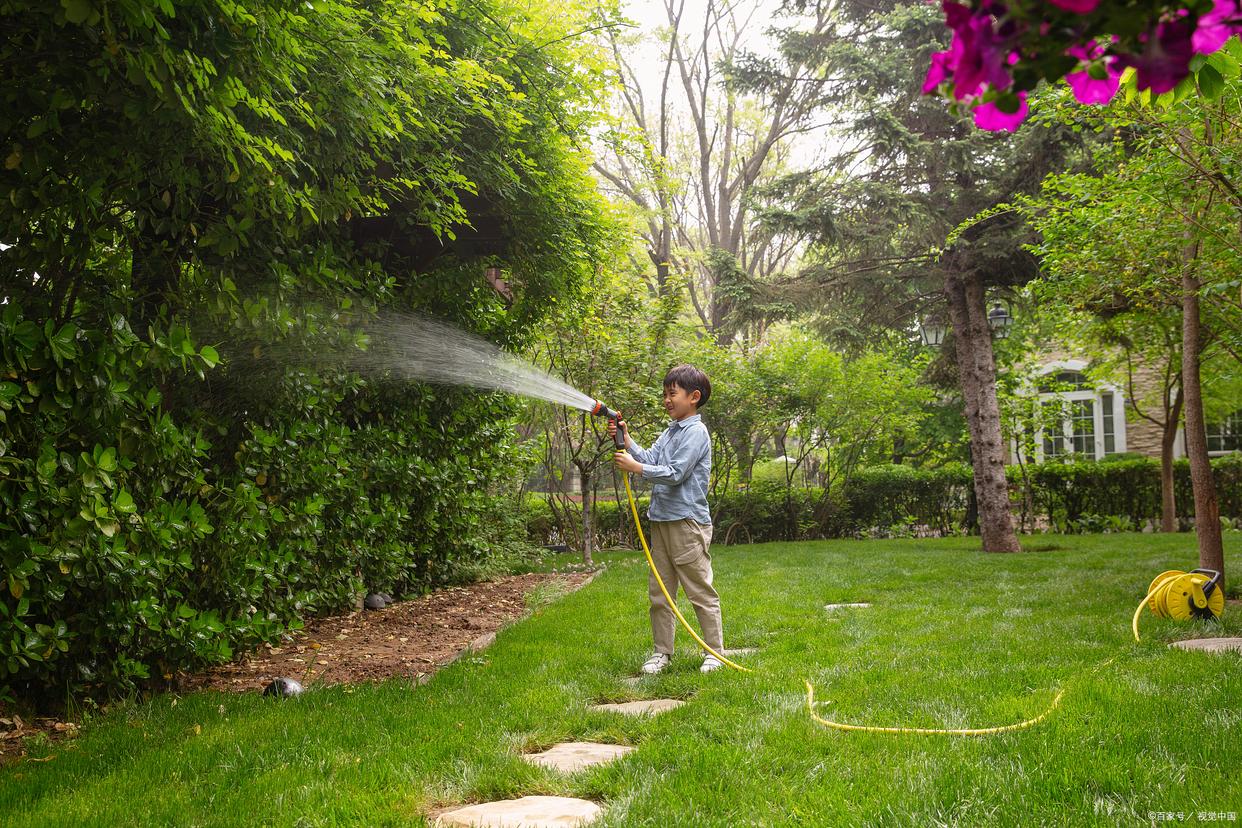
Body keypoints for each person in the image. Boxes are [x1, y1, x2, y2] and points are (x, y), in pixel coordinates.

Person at [610, 364, 725, 674]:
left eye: (672, 394)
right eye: (665, 394)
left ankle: (715, 652)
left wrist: (634, 468)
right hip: (661, 521)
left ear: (694, 397)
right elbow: (650, 459)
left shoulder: (696, 433)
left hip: (687, 523)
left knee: (699, 590)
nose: (666, 400)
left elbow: (674, 474)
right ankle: (662, 653)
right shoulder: (671, 430)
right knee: (660, 593)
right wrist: (628, 440)